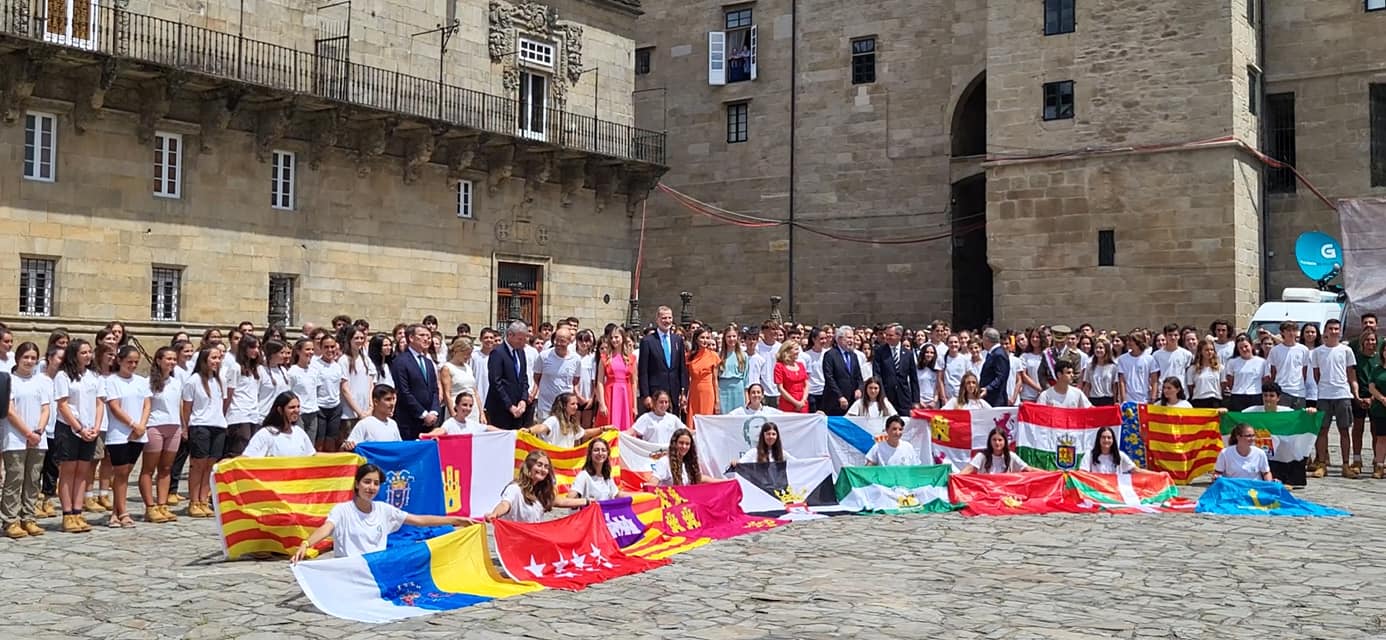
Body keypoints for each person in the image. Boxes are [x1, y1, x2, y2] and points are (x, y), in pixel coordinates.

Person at [292, 463, 474, 562]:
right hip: (349, 569)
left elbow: (419, 520)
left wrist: (456, 519)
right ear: (357, 484)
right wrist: (306, 544)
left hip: (377, 568)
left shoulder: (383, 510)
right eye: (367, 482)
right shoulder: (342, 510)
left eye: (376, 483)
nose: (371, 487)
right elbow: (326, 528)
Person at [54, 339, 104, 533]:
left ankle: (78, 511)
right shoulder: (63, 375)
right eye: (83, 352)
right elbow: (63, 404)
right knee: (68, 471)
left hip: (91, 428)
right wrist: (78, 427)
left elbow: (100, 403)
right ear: (74, 355)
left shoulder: (94, 376)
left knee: (83, 470)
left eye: (89, 352)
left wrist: (96, 427)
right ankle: (67, 514)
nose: (88, 356)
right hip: (69, 427)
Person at [102, 346, 151, 528]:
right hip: (119, 433)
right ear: (120, 361)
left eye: (136, 362)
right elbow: (115, 407)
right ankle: (123, 512)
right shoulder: (112, 381)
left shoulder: (141, 381)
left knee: (125, 473)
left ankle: (116, 512)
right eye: (129, 362)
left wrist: (141, 426)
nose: (133, 365)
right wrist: (132, 424)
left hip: (138, 433)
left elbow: (147, 404)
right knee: (120, 472)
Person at [2, 342, 47, 538]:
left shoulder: (40, 382)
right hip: (15, 437)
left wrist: (38, 431)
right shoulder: (9, 380)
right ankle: (10, 519)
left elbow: (46, 408)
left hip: (38, 438)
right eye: (26, 357)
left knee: (33, 479)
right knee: (15, 478)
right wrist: (27, 433)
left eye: (33, 358)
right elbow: (9, 410)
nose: (29, 361)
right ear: (18, 358)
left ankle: (28, 516)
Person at [181, 346, 227, 519]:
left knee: (210, 464)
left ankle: (203, 499)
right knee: (198, 464)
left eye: (218, 358)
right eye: (213, 358)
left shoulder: (219, 380)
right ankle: (193, 501)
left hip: (218, 425)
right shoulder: (193, 381)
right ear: (204, 360)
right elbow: (187, 407)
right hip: (200, 425)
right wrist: (185, 427)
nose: (216, 361)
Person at [1310, 318, 1359, 479]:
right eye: (1330, 328)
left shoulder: (1346, 351)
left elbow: (1351, 374)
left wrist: (1354, 392)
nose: (1333, 331)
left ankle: (1345, 465)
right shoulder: (1317, 352)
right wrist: (1324, 387)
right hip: (1324, 395)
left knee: (1344, 430)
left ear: (1340, 331)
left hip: (1342, 394)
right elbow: (1317, 375)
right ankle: (1322, 464)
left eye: (1336, 328)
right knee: (1322, 430)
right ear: (1325, 331)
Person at [484, 451, 591, 523]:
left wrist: (588, 501)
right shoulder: (515, 489)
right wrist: (495, 514)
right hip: (513, 542)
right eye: (539, 465)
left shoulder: (541, 493)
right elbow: (505, 504)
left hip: (531, 543)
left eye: (546, 467)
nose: (543, 469)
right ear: (529, 466)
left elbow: (562, 502)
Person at [391, 324, 442, 440]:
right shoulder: (401, 361)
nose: (426, 339)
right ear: (411, 338)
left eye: (428, 336)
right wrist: (423, 414)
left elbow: (434, 390)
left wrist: (434, 412)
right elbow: (404, 391)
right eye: (422, 335)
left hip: (430, 421)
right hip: (409, 421)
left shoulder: (428, 362)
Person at [638, 306, 688, 414]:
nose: (667, 321)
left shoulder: (677, 340)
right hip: (655, 393)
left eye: (669, 318)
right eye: (664, 318)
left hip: (674, 392)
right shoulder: (648, 341)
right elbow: (643, 371)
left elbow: (682, 369)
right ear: (657, 320)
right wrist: (646, 395)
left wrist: (683, 392)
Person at [485, 321, 531, 430]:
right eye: (520, 339)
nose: (523, 343)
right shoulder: (497, 353)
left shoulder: (521, 352)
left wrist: (523, 400)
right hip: (501, 408)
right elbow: (496, 382)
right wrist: (510, 406)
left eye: (524, 339)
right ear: (510, 335)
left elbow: (524, 377)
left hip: (519, 408)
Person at [243, 392, 316, 458]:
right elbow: (246, 459)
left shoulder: (300, 432)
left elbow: (311, 456)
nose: (296, 410)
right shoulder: (265, 434)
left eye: (298, 406)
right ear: (280, 410)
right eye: (292, 407)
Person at [533, 328, 580, 422]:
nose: (558, 343)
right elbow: (536, 377)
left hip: (565, 407)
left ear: (569, 341)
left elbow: (576, 380)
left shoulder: (576, 359)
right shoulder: (544, 356)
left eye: (562, 341)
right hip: (546, 406)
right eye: (556, 340)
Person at [596, 326, 637, 432]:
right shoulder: (604, 358)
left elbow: (634, 382)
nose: (614, 340)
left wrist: (634, 405)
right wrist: (602, 403)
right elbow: (600, 381)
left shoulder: (631, 358)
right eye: (612, 337)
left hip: (626, 395)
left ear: (623, 338)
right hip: (610, 393)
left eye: (617, 337)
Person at [528, 392, 606, 448]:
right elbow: (542, 427)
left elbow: (584, 433)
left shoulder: (571, 423)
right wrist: (529, 431)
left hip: (566, 461)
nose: (576, 407)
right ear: (564, 406)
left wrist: (603, 429)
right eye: (573, 404)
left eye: (576, 404)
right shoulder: (554, 420)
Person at [872, 324, 919, 414]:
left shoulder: (908, 354)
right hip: (887, 397)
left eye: (890, 335)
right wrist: (882, 395)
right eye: (886, 335)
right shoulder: (880, 352)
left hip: (904, 398)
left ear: (899, 336)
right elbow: (877, 375)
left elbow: (914, 379)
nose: (887, 337)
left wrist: (916, 400)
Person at [343, 385, 403, 450]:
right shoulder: (364, 424)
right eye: (388, 399)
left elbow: (399, 447)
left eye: (393, 399)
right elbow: (346, 447)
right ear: (376, 402)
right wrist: (347, 446)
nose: (392, 403)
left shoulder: (393, 424)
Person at [1267, 321, 1311, 409]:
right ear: (1282, 332)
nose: (1291, 333)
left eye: (1294, 330)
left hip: (1299, 392)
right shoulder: (1275, 351)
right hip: (1282, 391)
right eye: (1288, 330)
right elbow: (1273, 372)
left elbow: (1304, 371)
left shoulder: (1304, 350)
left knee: (1298, 420)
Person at [821, 325, 863, 416]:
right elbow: (829, 378)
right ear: (839, 339)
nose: (851, 341)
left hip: (851, 401)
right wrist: (840, 396)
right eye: (849, 338)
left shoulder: (853, 355)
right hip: (835, 401)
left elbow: (858, 376)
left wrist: (859, 389)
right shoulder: (830, 355)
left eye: (852, 338)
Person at [1078, 426, 1149, 474]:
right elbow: (1082, 473)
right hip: (1095, 492)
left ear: (1113, 440)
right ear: (1098, 439)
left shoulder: (1120, 455)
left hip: (1114, 493)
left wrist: (1158, 475)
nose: (1106, 440)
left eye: (1109, 437)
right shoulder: (1089, 455)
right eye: (1103, 437)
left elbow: (1136, 470)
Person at [959, 428, 1033, 474]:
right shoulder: (981, 456)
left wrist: (1044, 473)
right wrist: (954, 478)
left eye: (1000, 440)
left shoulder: (1011, 456)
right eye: (994, 440)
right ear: (990, 441)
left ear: (1005, 441)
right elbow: (968, 470)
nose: (997, 443)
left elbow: (1028, 469)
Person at [685, 328, 722, 418]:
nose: (705, 340)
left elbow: (715, 380)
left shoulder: (713, 355)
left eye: (707, 337)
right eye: (702, 337)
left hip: (708, 392)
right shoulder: (689, 356)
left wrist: (717, 401)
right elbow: (686, 378)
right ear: (696, 339)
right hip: (694, 392)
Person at [1224, 336, 1267, 412]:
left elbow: (1265, 380)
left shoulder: (1262, 362)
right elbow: (1230, 380)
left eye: (1246, 346)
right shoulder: (1232, 362)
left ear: (1252, 346)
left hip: (1256, 395)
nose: (1244, 349)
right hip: (1237, 396)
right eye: (1240, 348)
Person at [439, 337, 478, 419]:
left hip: (472, 409)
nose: (468, 357)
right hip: (457, 408)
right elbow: (447, 393)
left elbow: (475, 392)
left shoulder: (468, 368)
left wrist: (481, 413)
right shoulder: (447, 368)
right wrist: (453, 414)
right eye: (466, 354)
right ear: (457, 351)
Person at [429, 391, 497, 436]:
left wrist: (506, 433)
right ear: (456, 406)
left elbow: (487, 428)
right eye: (464, 405)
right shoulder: (450, 423)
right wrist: (427, 435)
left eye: (470, 406)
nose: (468, 408)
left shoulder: (471, 423)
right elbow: (441, 430)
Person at [1116, 332, 1158, 404]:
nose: (1128, 343)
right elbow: (1122, 381)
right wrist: (1123, 399)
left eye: (1131, 341)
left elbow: (1154, 380)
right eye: (1128, 340)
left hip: (1145, 398)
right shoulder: (1122, 359)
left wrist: (1153, 396)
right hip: (1129, 398)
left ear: (1138, 342)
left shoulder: (1149, 359)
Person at [717, 324, 749, 414]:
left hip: (738, 389)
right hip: (723, 390)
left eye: (734, 336)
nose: (731, 339)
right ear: (725, 338)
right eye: (729, 336)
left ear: (737, 337)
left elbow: (746, 380)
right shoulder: (719, 355)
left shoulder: (743, 355)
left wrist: (747, 399)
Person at [977, 328, 1011, 408]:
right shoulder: (993, 353)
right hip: (989, 398)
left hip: (996, 399)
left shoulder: (999, 354)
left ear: (986, 339)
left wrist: (988, 388)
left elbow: (1001, 376)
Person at [773, 341, 809, 413]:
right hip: (788, 403)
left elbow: (806, 384)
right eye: (796, 349)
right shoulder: (779, 366)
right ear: (787, 351)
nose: (798, 352)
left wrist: (803, 400)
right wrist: (796, 403)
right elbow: (780, 388)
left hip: (803, 403)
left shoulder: (801, 365)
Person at [1082, 338, 1118, 406]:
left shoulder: (1113, 367)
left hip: (1108, 399)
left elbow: (1114, 386)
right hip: (1093, 399)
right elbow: (1087, 385)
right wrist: (1085, 402)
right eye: (1096, 348)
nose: (1098, 350)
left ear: (1106, 350)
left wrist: (1115, 401)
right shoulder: (1090, 366)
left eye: (1101, 348)